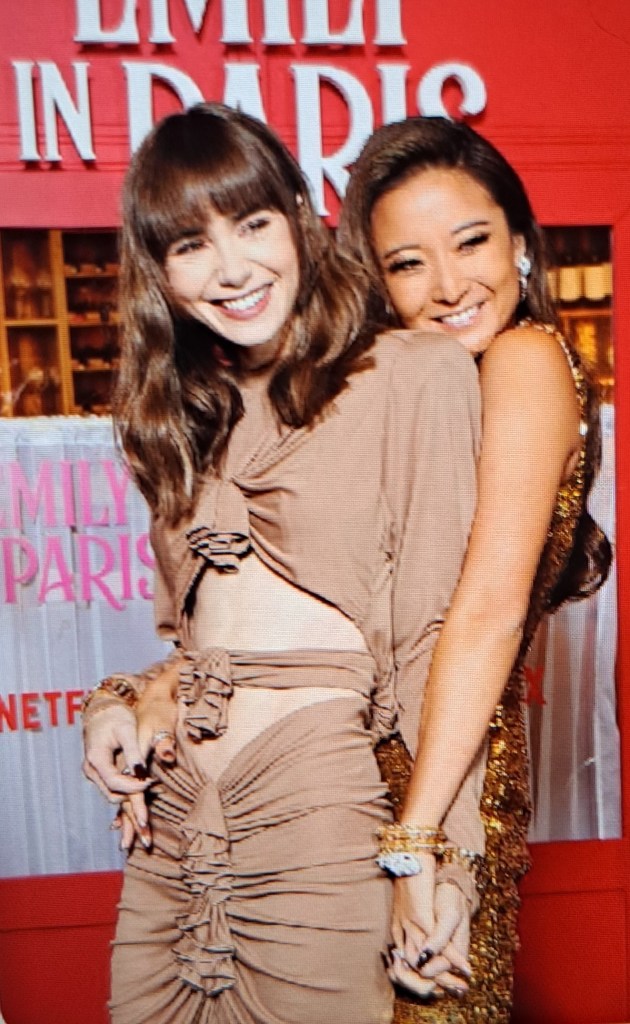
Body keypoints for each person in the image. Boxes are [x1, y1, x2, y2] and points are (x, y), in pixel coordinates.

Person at [80, 103, 483, 1024]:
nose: (231, 269)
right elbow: (191, 649)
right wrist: (118, 704)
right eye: (190, 245)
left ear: (302, 217)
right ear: (157, 269)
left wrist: (436, 859)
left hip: (316, 814)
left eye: (253, 223)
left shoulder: (414, 372)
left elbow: (437, 641)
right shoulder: (179, 414)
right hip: (170, 821)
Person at [338, 115, 612, 1023]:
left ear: (520, 243)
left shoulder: (524, 358)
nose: (450, 285)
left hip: (445, 787)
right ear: (376, 282)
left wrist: (415, 839)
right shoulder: (433, 390)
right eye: (408, 262)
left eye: (471, 242)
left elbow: (489, 608)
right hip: (381, 781)